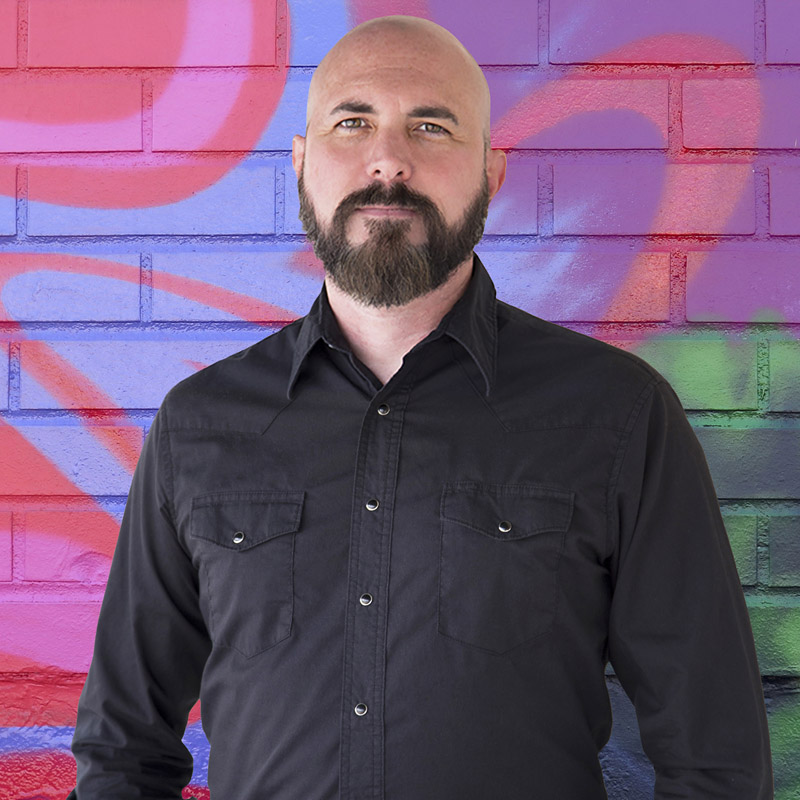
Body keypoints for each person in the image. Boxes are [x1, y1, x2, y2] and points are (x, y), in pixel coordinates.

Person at [69, 15, 773, 799]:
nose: (388, 161)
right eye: (353, 122)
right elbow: (122, 748)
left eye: (431, 126)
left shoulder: (617, 415)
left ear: (491, 172)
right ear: (302, 165)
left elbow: (714, 757)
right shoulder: (200, 424)